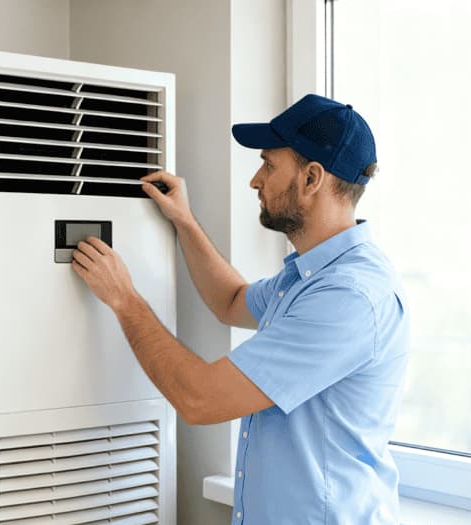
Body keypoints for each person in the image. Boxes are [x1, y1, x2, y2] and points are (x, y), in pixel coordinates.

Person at [71, 94, 409, 524]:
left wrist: (124, 299)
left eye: (269, 165)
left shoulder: (347, 298)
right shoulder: (308, 276)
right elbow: (230, 301)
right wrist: (185, 222)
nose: (255, 180)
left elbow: (200, 399)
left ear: (311, 178)